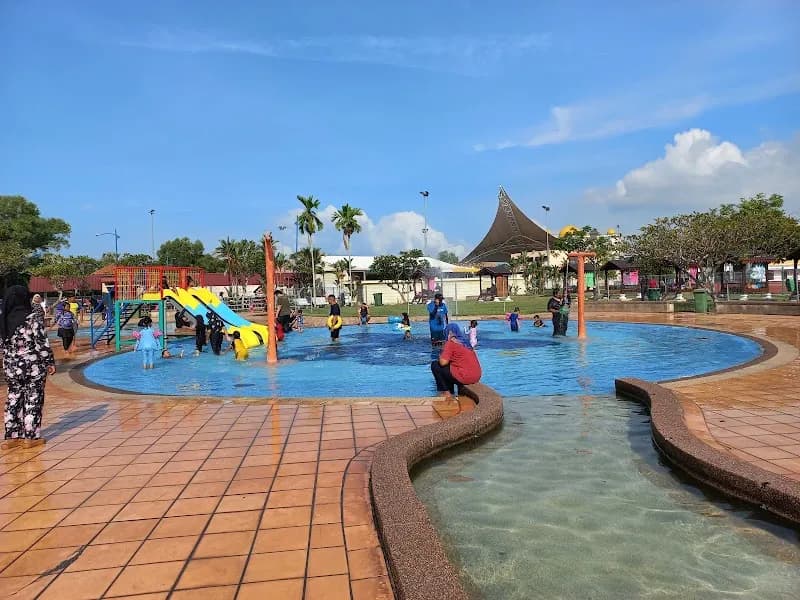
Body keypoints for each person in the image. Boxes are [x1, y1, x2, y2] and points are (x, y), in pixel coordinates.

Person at [1, 285, 56, 446]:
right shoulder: (32, 319)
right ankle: (30, 437)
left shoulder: (3, 321)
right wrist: (50, 362)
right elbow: (41, 344)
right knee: (33, 398)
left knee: (13, 398)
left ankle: (12, 437)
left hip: (11, 368)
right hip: (33, 367)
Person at [430, 323, 482, 401]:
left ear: (449, 333)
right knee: (450, 367)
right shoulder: (466, 342)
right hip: (476, 376)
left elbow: (442, 362)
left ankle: (447, 392)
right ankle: (451, 391)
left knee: (435, 365)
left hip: (465, 377)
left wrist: (441, 353)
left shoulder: (451, 343)